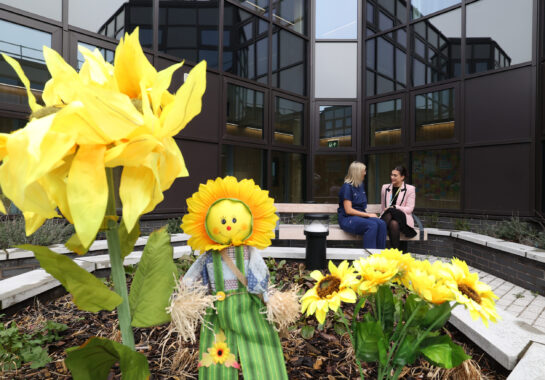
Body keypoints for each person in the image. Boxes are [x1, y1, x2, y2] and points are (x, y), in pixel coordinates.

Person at [338, 161, 387, 249]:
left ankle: (380, 256)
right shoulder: (347, 187)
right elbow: (348, 210)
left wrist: (368, 216)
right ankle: (369, 258)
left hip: (359, 217)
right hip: (347, 218)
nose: (365, 173)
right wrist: (368, 215)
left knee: (382, 224)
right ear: (357, 172)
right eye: (363, 171)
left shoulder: (360, 185)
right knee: (372, 225)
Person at [380, 165, 417, 249]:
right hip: (389, 219)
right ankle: (396, 252)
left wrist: (394, 207)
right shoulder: (385, 188)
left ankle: (379, 230)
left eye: (395, 175)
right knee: (393, 223)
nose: (392, 177)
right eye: (391, 175)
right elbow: (383, 206)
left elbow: (409, 209)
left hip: (403, 218)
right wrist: (389, 210)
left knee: (391, 210)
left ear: (402, 177)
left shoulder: (410, 189)